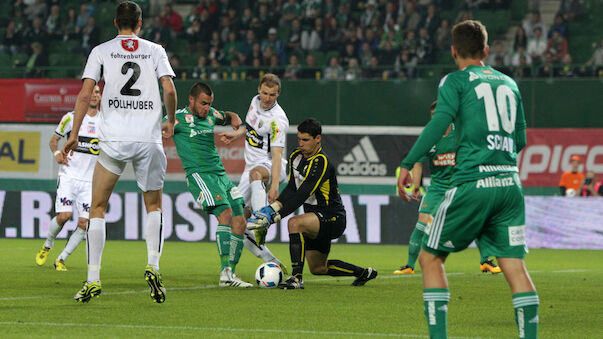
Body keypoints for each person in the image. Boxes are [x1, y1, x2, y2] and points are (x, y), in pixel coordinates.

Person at [397, 20, 538, 338]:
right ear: (486, 50)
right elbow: (521, 139)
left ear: (453, 51)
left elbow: (439, 123)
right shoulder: (509, 83)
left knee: (430, 256)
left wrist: (408, 162)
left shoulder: (455, 81)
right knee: (514, 267)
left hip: (474, 182)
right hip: (510, 186)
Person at [62, 1, 177, 304]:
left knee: (97, 207)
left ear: (116, 22)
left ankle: (93, 279)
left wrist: (74, 134)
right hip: (148, 139)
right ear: (140, 23)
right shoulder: (155, 50)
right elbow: (169, 90)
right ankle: (153, 264)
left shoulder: (101, 51)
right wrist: (171, 121)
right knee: (154, 205)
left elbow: (86, 93)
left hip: (113, 139)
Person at [248, 118, 378, 289]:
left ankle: (296, 278)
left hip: (333, 218)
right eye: (299, 139)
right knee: (318, 268)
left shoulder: (321, 163)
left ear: (318, 139)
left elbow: (302, 195)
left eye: (306, 140)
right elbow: (293, 189)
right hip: (315, 219)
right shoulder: (296, 156)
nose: (301, 144)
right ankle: (363, 273)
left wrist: (274, 218)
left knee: (294, 223)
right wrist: (270, 209)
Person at [394, 101, 501, 276]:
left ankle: (486, 261)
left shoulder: (461, 133)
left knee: (476, 221)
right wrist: (416, 185)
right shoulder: (429, 136)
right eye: (433, 116)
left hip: (460, 185)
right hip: (437, 188)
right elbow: (419, 163)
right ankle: (409, 266)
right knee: (422, 222)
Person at [168, 82, 252, 288]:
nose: (207, 108)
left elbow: (228, 115)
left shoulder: (212, 114)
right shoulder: (178, 118)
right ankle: (225, 273)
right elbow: (158, 126)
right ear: (192, 100)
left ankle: (230, 272)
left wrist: (235, 118)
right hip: (200, 175)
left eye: (209, 104)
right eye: (203, 104)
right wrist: (163, 130)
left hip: (220, 174)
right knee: (226, 215)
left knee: (240, 220)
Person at [219, 74, 289, 270]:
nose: (267, 98)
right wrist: (236, 134)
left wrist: (274, 185)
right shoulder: (254, 101)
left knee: (256, 174)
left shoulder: (278, 120)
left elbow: (276, 156)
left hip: (271, 165)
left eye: (272, 95)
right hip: (249, 170)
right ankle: (270, 260)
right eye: (265, 93)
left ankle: (261, 219)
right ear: (259, 89)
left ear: (278, 94)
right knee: (237, 220)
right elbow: (250, 128)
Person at [36, 85, 102, 271]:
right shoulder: (71, 118)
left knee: (84, 223)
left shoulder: (104, 122)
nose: (95, 95)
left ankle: (61, 259)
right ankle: (47, 245)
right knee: (64, 216)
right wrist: (57, 153)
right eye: (92, 92)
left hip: (90, 180)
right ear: (85, 96)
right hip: (69, 175)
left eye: (98, 92)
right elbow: (53, 140)